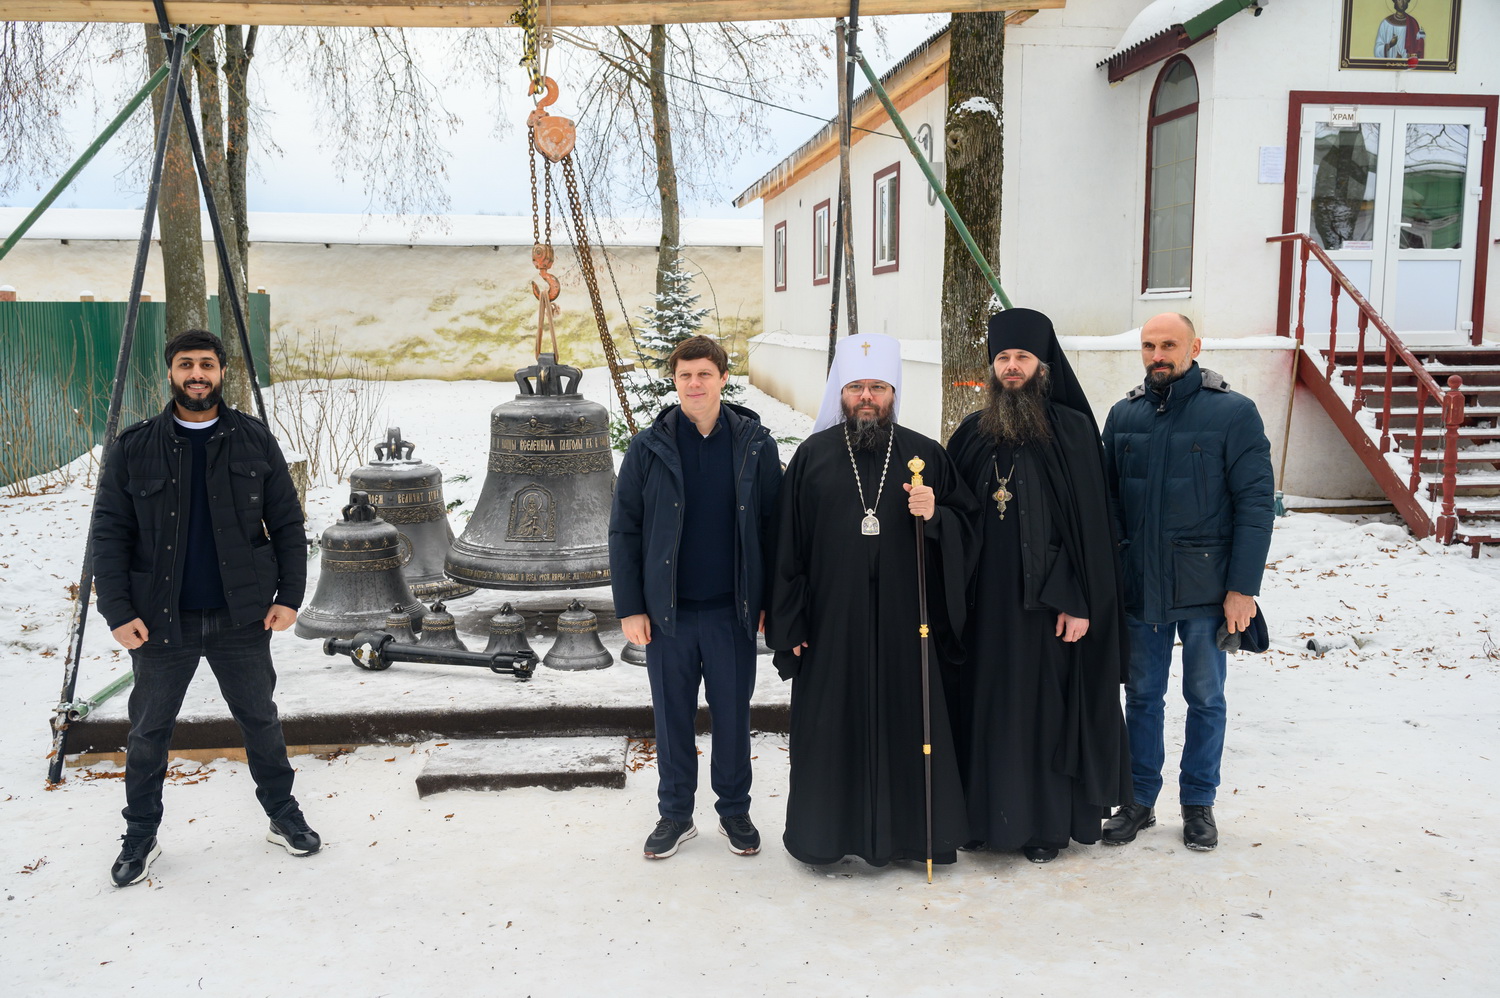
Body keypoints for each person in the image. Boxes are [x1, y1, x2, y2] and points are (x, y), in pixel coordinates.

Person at [90, 329, 316, 888]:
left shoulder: (253, 440)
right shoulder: (135, 446)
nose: (197, 374)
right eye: (186, 364)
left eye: (207, 365)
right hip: (159, 621)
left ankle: (282, 815)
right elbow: (109, 533)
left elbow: (288, 524)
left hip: (242, 616)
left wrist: (289, 597)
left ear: (221, 372)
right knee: (149, 731)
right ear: (170, 372)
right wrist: (117, 611)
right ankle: (141, 834)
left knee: (260, 720)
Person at [765, 333, 979, 868]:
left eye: (877, 387)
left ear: (893, 393)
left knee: (909, 726)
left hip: (908, 627)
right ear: (840, 393)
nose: (866, 397)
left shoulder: (925, 456)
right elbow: (787, 548)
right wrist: (791, 626)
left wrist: (937, 516)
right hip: (831, 627)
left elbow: (970, 530)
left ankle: (911, 837)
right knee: (830, 731)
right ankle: (825, 839)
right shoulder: (812, 457)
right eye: (856, 387)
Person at [945, 308, 1131, 864]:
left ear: (1044, 366)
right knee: (984, 710)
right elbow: (954, 517)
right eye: (1002, 357)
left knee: (1043, 715)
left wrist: (1077, 600)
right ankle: (983, 821)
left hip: (1049, 609)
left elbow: (1092, 529)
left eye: (1022, 357)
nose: (1011, 367)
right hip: (983, 608)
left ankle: (1044, 828)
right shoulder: (971, 435)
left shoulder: (1073, 432)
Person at [1100, 313, 1274, 851]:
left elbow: (1255, 506)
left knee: (1205, 697)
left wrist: (1242, 589)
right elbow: (1107, 504)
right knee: (1142, 697)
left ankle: (1198, 802)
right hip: (1139, 587)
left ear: (1194, 347)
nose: (1158, 355)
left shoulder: (1234, 413)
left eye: (1169, 345)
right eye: (1149, 345)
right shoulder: (1123, 415)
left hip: (1206, 588)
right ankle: (1138, 799)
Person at [609, 335, 782, 860]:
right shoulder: (648, 447)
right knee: (672, 719)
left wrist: (770, 599)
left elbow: (774, 527)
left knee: (732, 718)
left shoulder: (755, 444)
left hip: (733, 611)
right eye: (685, 375)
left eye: (705, 373)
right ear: (675, 380)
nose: (694, 384)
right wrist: (630, 606)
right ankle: (675, 814)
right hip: (669, 616)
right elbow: (625, 530)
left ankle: (734, 811)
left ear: (724, 378)